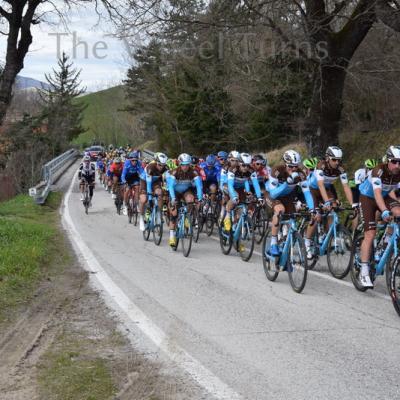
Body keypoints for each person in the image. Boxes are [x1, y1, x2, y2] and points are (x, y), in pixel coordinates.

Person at [358, 146, 400, 288]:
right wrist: (384, 211)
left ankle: (385, 243)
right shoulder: (378, 170)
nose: (397, 165)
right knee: (370, 233)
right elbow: (376, 194)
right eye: (394, 161)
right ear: (388, 160)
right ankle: (363, 271)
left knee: (398, 213)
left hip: (385, 196)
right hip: (368, 197)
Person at [305, 146, 356, 258]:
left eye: (339, 160)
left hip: (326, 190)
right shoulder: (321, 166)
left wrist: (353, 203)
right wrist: (326, 202)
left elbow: (346, 187)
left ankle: (325, 235)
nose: (337, 162)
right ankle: (307, 242)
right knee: (317, 215)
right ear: (327, 158)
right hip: (313, 190)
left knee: (333, 210)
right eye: (334, 160)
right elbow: (320, 185)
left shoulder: (341, 169)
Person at [265, 150, 314, 256]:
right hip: (273, 196)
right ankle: (273, 244)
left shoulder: (300, 174)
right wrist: (286, 184)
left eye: (296, 166)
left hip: (288, 197)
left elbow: (307, 193)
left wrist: (312, 208)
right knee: (280, 210)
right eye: (291, 166)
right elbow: (273, 194)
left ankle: (285, 254)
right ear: (285, 164)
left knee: (293, 219)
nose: (293, 169)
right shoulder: (277, 171)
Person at [167, 153, 203, 246]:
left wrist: (199, 198)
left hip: (185, 191)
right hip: (175, 192)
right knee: (174, 213)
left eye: (187, 164)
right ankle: (171, 236)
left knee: (191, 199)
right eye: (183, 164)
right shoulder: (175, 172)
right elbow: (170, 186)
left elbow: (199, 186)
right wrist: (173, 198)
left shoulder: (193, 172)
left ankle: (186, 217)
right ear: (180, 164)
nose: (185, 167)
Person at [223, 152, 264, 232]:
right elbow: (230, 185)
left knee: (247, 200)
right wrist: (234, 196)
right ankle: (227, 218)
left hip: (240, 188)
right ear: (239, 163)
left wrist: (259, 197)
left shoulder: (251, 171)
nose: (246, 168)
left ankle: (236, 225)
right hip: (228, 186)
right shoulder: (233, 169)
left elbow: (256, 185)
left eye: (248, 165)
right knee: (235, 197)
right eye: (243, 165)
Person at [139, 152, 168, 231]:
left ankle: (159, 213)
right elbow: (148, 183)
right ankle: (141, 219)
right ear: (156, 163)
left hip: (155, 181)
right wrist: (150, 197)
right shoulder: (150, 167)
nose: (161, 167)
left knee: (160, 193)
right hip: (145, 181)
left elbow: (167, 180)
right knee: (144, 199)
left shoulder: (165, 168)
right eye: (159, 165)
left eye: (163, 165)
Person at [121, 151, 144, 216]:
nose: (134, 162)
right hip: (127, 177)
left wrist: (144, 180)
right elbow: (123, 174)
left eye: (136, 160)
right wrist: (124, 181)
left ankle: (136, 204)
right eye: (133, 160)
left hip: (134, 176)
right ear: (130, 160)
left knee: (137, 188)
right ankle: (125, 205)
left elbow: (142, 173)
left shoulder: (139, 163)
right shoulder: (127, 163)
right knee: (127, 190)